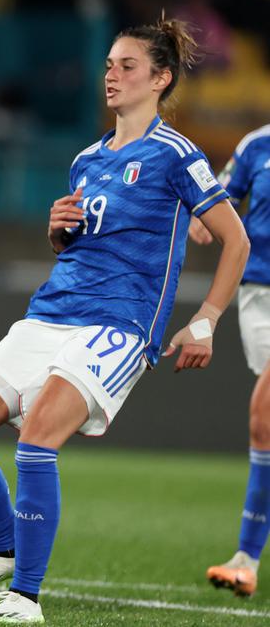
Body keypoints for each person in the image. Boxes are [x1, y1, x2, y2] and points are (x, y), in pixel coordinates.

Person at [0, 18, 250, 624]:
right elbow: (81, 244)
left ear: (160, 79)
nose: (112, 74)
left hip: (120, 326)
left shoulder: (176, 154)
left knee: (37, 440)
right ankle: (4, 550)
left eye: (127, 66)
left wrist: (207, 319)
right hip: (51, 313)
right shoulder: (86, 159)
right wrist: (58, 233)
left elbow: (231, 240)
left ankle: (25, 597)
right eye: (109, 64)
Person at [192, 123, 270, 597]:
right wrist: (201, 219)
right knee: (265, 426)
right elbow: (219, 202)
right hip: (258, 296)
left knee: (264, 415)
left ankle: (246, 555)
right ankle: (247, 559)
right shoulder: (255, 145)